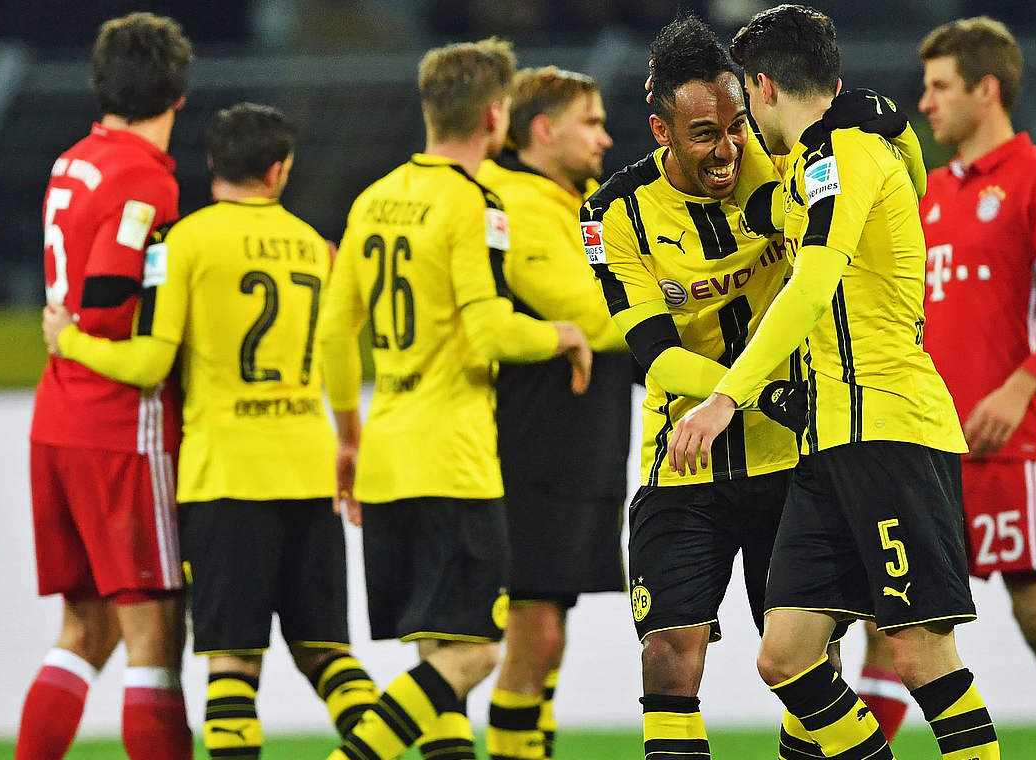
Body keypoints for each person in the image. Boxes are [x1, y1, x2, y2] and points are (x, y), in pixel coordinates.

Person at [669, 6, 1003, 760]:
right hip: (829, 444)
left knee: (919, 654)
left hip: (890, 428)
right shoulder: (827, 157)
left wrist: (728, 395)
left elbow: (814, 283)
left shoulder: (848, 154)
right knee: (785, 656)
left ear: (761, 86)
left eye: (747, 104)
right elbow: (781, 202)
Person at [42, 103, 383, 760]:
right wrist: (348, 439)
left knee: (232, 666)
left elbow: (148, 363)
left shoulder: (183, 242)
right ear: (279, 171)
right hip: (307, 471)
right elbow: (342, 353)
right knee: (328, 656)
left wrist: (72, 341)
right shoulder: (320, 248)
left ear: (211, 166)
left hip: (225, 479)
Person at [318, 38, 593, 760]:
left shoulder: (372, 199)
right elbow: (490, 329)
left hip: (386, 455)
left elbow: (333, 335)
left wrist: (348, 436)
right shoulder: (476, 203)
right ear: (496, 116)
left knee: (440, 656)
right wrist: (559, 334)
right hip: (453, 459)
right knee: (474, 657)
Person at [857, 18, 1036, 760]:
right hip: (930, 449)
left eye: (940, 87)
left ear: (985, 89)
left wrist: (1019, 390)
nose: (925, 103)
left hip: (1014, 447)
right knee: (890, 633)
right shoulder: (927, 194)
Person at [583, 16, 804, 760]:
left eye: (736, 124)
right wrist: (756, 392)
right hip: (686, 459)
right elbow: (656, 355)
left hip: (791, 456)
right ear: (661, 130)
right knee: (669, 652)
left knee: (805, 662)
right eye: (705, 133)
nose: (728, 148)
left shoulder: (783, 167)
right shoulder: (613, 214)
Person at [21, 13, 193, 759]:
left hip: (56, 416)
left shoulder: (73, 161)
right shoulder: (143, 178)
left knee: (83, 629)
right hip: (120, 425)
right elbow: (113, 306)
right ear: (178, 95)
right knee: (153, 630)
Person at [476, 66, 633, 760]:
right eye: (590, 122)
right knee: (532, 631)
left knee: (549, 631)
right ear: (542, 130)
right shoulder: (513, 203)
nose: (605, 136)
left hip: (582, 442)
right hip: (534, 445)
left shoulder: (582, 199)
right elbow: (596, 316)